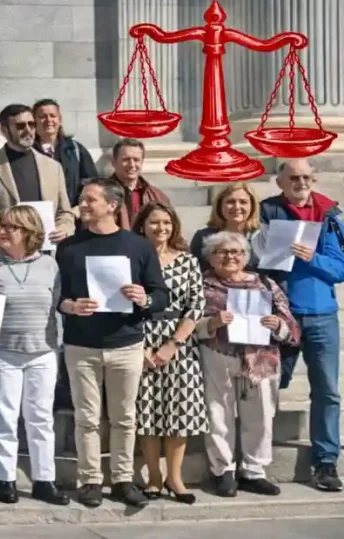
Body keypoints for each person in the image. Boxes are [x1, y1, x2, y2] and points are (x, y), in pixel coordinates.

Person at [55, 178, 169, 508]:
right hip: (81, 344)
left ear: (112, 205)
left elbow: (161, 295)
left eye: (90, 199)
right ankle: (90, 480)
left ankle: (122, 480)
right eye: (82, 199)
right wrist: (70, 306)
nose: (83, 205)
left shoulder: (139, 246)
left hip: (126, 343)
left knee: (124, 418)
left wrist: (144, 298)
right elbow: (58, 296)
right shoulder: (69, 247)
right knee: (87, 418)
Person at [252, 158, 344, 492]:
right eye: (293, 178)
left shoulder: (329, 215)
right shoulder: (267, 212)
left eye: (306, 177)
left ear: (313, 180)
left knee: (327, 390)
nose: (301, 183)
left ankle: (326, 462)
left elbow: (339, 270)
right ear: (280, 182)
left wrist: (311, 257)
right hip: (281, 315)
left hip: (320, 315)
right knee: (268, 386)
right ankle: (253, 461)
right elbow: (252, 260)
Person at [0, 205, 69, 506]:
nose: (4, 232)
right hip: (0, 352)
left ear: (30, 232)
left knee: (41, 418)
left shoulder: (49, 265)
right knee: (3, 417)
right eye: (1, 226)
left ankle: (44, 480)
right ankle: (5, 479)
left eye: (12, 227)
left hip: (42, 351)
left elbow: (56, 303)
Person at [196, 231, 299, 497]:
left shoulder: (265, 284)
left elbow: (290, 325)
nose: (230, 257)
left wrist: (278, 325)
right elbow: (186, 323)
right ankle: (223, 471)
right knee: (218, 414)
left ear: (246, 256)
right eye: (222, 252)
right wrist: (211, 323)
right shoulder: (199, 285)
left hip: (261, 358)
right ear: (210, 257)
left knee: (261, 415)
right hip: (217, 355)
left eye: (237, 252)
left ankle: (254, 471)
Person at [130, 202, 208, 504]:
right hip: (139, 339)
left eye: (166, 222)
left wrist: (173, 344)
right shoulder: (132, 258)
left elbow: (196, 305)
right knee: (146, 410)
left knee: (180, 410)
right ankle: (153, 476)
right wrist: (141, 347)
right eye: (154, 222)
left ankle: (175, 477)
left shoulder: (187, 261)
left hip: (179, 342)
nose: (161, 228)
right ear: (142, 225)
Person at [0, 104, 75, 252]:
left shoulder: (53, 167)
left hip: (44, 253)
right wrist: (6, 232)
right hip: (2, 254)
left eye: (31, 124)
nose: (28, 130)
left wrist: (64, 229)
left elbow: (65, 212)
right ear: (4, 130)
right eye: (20, 126)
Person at [30, 98, 99, 208]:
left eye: (53, 116)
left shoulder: (75, 149)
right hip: (38, 213)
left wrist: (79, 208)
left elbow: (92, 182)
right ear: (34, 121)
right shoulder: (27, 151)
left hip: (73, 213)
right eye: (42, 117)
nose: (48, 120)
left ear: (59, 119)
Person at [190, 182, 261, 272]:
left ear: (252, 206)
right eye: (230, 202)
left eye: (243, 202)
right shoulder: (203, 237)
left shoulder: (264, 236)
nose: (237, 207)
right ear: (220, 205)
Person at [108, 138, 171, 230]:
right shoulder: (101, 194)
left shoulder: (158, 196)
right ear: (114, 162)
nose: (132, 165)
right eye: (126, 159)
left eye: (136, 160)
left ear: (142, 162)